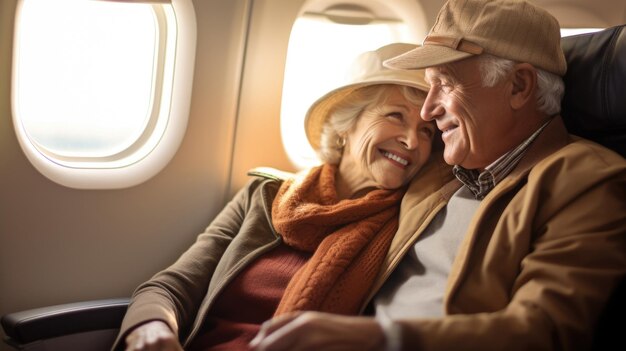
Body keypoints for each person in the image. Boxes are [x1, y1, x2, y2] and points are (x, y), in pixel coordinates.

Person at [248, 1, 626, 351]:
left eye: (444, 84)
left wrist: (379, 337)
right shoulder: (434, 168)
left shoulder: (589, 181)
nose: (428, 111)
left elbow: (544, 330)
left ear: (518, 86)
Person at [113, 43, 448, 351]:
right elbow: (172, 286)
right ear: (347, 123)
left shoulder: (408, 224)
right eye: (395, 116)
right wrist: (152, 328)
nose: (413, 142)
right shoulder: (265, 194)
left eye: (426, 131)